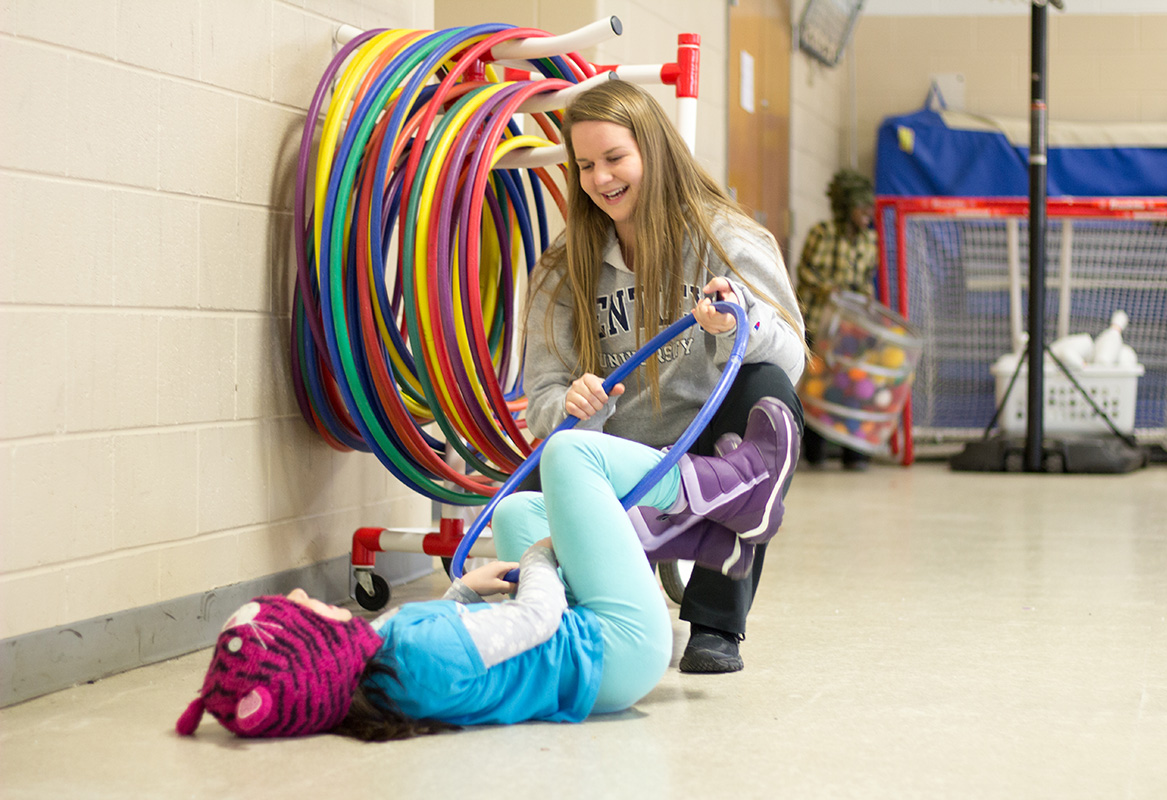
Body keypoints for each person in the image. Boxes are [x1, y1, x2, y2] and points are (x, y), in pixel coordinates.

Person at [176, 398, 799, 740]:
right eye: (291, 613)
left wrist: (461, 591)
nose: (294, 594)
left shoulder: (384, 673)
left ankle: (717, 544)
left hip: (590, 662)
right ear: (311, 650)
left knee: (522, 508)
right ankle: (739, 487)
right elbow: (534, 616)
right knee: (568, 455)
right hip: (618, 647)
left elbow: (462, 642)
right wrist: (540, 560)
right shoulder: (416, 654)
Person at [522, 80, 807, 675]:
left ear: (653, 150)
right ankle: (639, 561)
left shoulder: (726, 238)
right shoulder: (562, 264)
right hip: (616, 459)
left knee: (767, 394)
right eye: (585, 166)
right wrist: (576, 406)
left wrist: (740, 326)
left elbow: (792, 361)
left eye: (615, 159)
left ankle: (715, 624)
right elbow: (543, 398)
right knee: (524, 511)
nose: (600, 179)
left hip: (707, 453)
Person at [793, 169, 878, 471]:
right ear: (846, 207)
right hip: (819, 323)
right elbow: (804, 273)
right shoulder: (822, 233)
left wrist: (865, 298)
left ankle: (854, 455)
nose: (868, 213)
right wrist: (829, 290)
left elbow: (867, 279)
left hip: (851, 329)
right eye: (862, 207)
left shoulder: (870, 241)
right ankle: (815, 454)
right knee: (818, 387)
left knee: (851, 389)